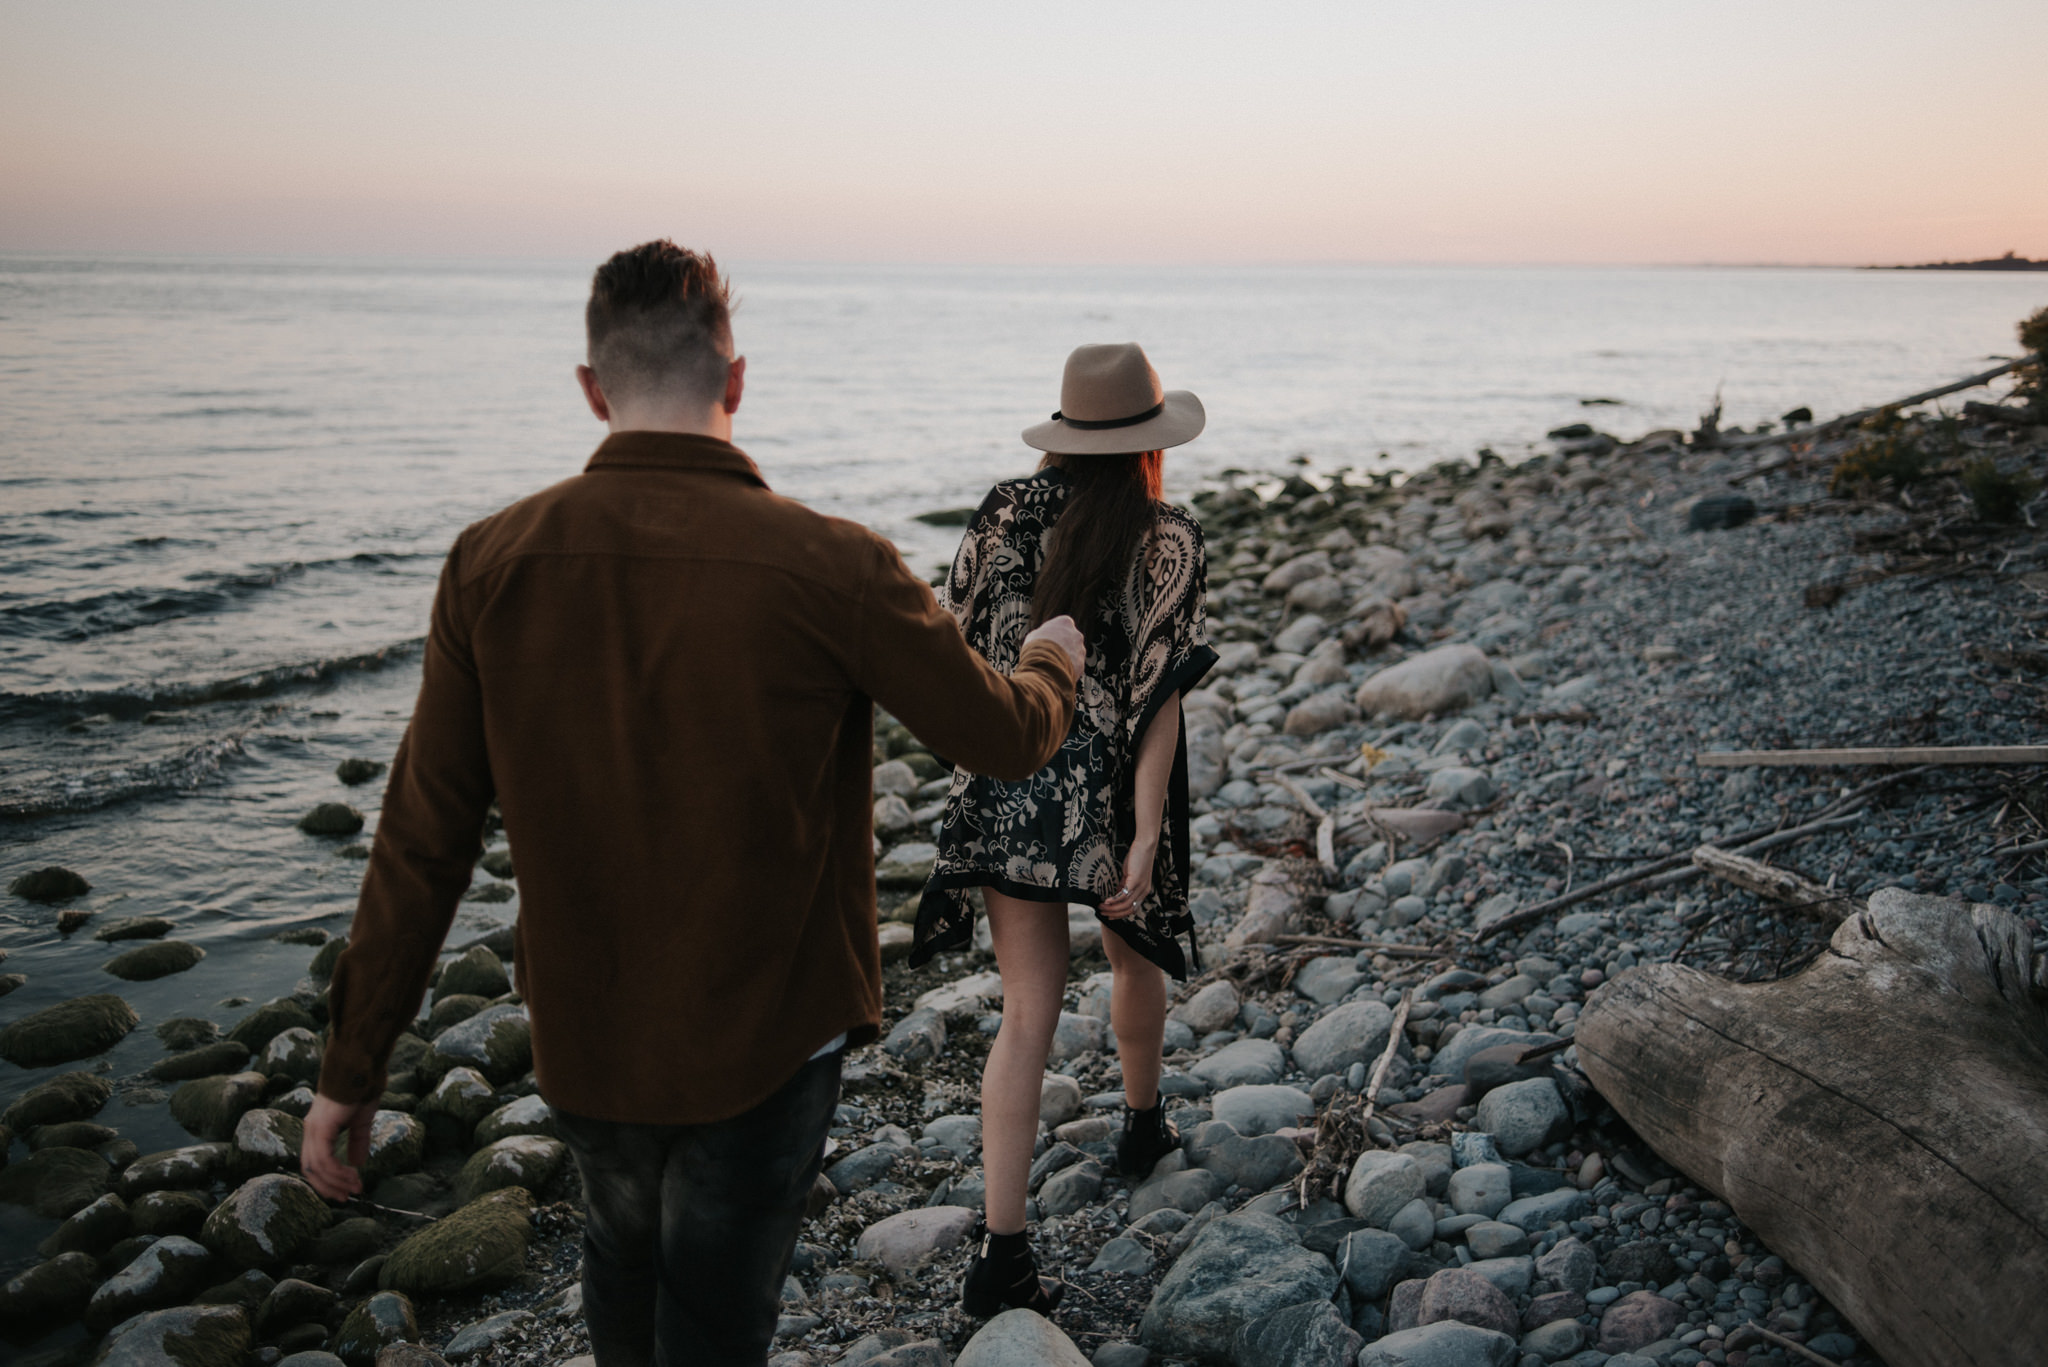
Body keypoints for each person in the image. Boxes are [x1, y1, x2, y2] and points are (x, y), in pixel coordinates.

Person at [298, 240, 1087, 1367]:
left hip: (587, 1030)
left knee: (621, 1264)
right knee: (717, 1316)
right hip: (767, 1034)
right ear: (736, 378)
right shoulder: (835, 563)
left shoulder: (488, 563)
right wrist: (1052, 662)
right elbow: (1002, 739)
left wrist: (350, 1068)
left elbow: (422, 839)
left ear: (590, 388)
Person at [909, 342, 1217, 1317]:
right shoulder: (1166, 536)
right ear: (1146, 443)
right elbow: (1159, 697)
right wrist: (1139, 836)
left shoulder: (1000, 511)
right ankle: (1139, 1122)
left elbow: (955, 638)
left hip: (1010, 775)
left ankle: (1001, 1255)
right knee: (1133, 963)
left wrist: (971, 771)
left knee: (1025, 1010)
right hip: (1112, 789)